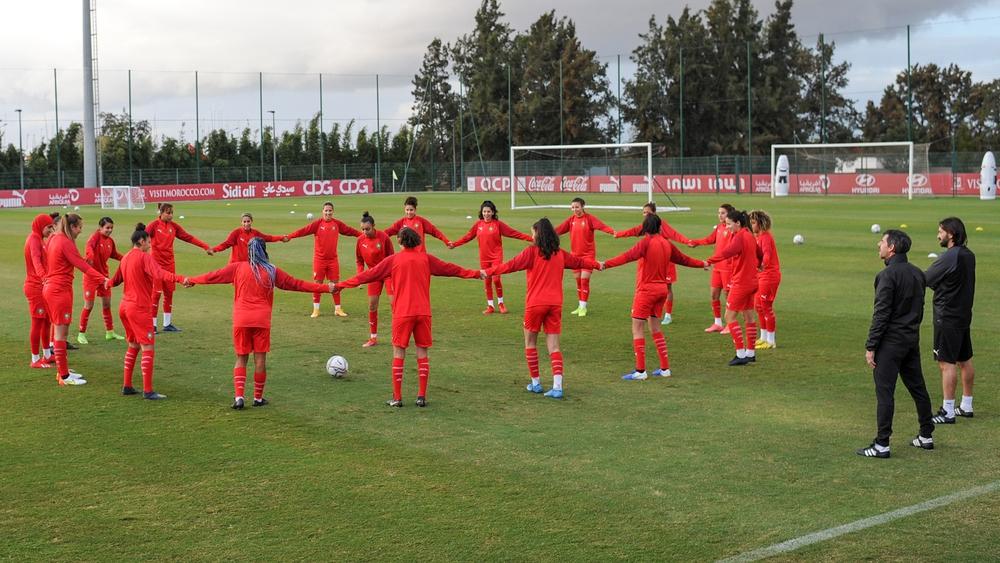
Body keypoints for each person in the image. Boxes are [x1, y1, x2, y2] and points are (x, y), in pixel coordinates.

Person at [336, 227, 480, 408]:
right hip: (423, 313)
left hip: (403, 313)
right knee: (422, 352)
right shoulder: (427, 259)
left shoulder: (393, 260)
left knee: (399, 352)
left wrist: (341, 285)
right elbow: (452, 269)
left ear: (401, 241)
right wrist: (476, 274)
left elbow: (367, 275)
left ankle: (397, 398)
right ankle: (421, 396)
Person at [188, 238, 335, 409]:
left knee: (241, 358)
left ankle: (239, 398)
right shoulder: (272, 270)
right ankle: (258, 398)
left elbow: (213, 276)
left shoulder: (237, 267)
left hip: (241, 319)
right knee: (260, 358)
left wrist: (192, 280)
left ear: (248, 251)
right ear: (264, 251)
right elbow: (298, 284)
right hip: (262, 320)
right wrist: (326, 288)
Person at [485, 218, 600, 399]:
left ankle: (536, 383)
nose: (531, 236)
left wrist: (488, 271)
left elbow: (510, 266)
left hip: (535, 304)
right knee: (554, 346)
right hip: (555, 305)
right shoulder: (559, 254)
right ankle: (557, 386)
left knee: (530, 343)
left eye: (532, 233)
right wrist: (597, 265)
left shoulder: (531, 252)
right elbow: (579, 262)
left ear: (538, 235)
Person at [858, 230, 935, 458]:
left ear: (891, 248)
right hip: (911, 339)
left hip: (890, 344)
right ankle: (926, 435)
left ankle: (882, 444)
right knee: (918, 388)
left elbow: (881, 314)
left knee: (885, 393)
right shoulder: (918, 274)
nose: (878, 244)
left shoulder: (887, 276)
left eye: (882, 242)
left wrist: (871, 346)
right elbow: (919, 310)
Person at [602, 214, 707, 380]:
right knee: (656, 329)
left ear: (645, 228)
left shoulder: (646, 242)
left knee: (637, 328)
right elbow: (684, 260)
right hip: (662, 290)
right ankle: (665, 368)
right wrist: (702, 264)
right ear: (659, 227)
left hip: (646, 291)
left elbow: (627, 256)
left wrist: (605, 264)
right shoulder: (667, 243)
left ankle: (640, 371)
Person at [109, 223, 192, 400]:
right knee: (148, 347)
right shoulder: (144, 258)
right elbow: (161, 274)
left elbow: (115, 281)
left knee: (133, 345)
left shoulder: (125, 258)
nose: (151, 244)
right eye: (148, 241)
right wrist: (181, 279)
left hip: (124, 307)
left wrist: (103, 282)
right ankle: (148, 391)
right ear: (141, 241)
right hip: (139, 308)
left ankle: (127, 385)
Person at [43, 213, 109, 386]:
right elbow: (83, 267)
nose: (81, 231)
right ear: (72, 227)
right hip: (59, 290)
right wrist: (103, 279)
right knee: (61, 333)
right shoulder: (65, 241)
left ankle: (62, 371)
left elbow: (65, 260)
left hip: (51, 288)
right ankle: (64, 376)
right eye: (79, 227)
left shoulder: (54, 238)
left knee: (59, 332)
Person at [924, 217, 976, 424]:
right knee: (965, 360)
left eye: (940, 231)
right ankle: (967, 404)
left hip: (946, 316)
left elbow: (927, 278)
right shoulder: (969, 255)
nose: (938, 235)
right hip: (963, 315)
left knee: (946, 363)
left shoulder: (949, 256)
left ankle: (947, 411)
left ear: (951, 234)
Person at [614, 202, 693, 325]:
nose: (645, 214)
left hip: (665, 261)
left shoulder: (661, 225)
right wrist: (619, 234)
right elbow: (634, 231)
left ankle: (668, 314)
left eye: (648, 212)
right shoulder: (646, 225)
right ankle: (648, 311)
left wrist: (687, 241)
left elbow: (674, 235)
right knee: (646, 285)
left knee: (667, 287)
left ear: (654, 213)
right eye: (644, 212)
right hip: (650, 262)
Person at [449, 200, 532, 314]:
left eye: (488, 211)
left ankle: (501, 303)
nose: (486, 214)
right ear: (481, 212)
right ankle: (490, 306)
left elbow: (514, 233)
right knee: (486, 281)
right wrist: (455, 244)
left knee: (496, 279)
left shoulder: (498, 224)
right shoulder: (478, 225)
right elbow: (467, 237)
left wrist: (531, 238)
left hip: (496, 257)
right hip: (484, 258)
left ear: (493, 212)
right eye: (484, 211)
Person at [285, 202, 361, 318]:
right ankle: (316, 309)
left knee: (335, 284)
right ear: (322, 211)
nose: (328, 213)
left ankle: (338, 309)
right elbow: (303, 231)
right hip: (319, 260)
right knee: (318, 284)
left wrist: (362, 235)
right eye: (326, 210)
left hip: (333, 260)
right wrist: (290, 236)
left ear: (333, 212)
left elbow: (350, 231)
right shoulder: (317, 224)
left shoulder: (337, 224)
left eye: (330, 210)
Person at [146, 202, 214, 332]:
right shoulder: (154, 225)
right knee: (156, 294)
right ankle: (152, 325)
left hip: (170, 264)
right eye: (168, 213)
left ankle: (167, 324)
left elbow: (188, 237)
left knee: (169, 293)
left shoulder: (174, 227)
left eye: (172, 213)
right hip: (156, 264)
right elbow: (141, 237)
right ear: (161, 213)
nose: (170, 215)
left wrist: (205, 246)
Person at [706, 209, 761, 366]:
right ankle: (750, 353)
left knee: (729, 317)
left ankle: (740, 354)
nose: (727, 227)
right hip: (752, 282)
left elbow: (726, 252)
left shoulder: (739, 237)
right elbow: (759, 253)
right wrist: (760, 265)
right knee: (749, 317)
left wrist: (709, 261)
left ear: (738, 223)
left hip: (741, 283)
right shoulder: (749, 235)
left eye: (729, 224)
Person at [554, 197, 615, 317]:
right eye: (572, 207)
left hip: (588, 255)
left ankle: (583, 307)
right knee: (578, 282)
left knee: (584, 280)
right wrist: (545, 233)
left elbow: (602, 226)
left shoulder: (589, 219)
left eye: (577, 207)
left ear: (583, 206)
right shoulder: (571, 220)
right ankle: (580, 305)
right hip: (575, 256)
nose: (574, 209)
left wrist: (613, 232)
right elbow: (559, 230)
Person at [77, 217, 125, 344]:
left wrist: (126, 258)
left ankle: (110, 332)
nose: (109, 230)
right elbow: (89, 247)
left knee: (107, 304)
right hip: (91, 277)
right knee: (89, 305)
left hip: (104, 276)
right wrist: (90, 256)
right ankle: (81, 333)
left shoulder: (110, 241)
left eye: (111, 228)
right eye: (107, 228)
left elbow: (114, 254)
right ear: (100, 227)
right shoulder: (94, 237)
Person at [689, 204, 736, 333]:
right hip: (717, 267)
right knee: (714, 294)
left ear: (730, 215)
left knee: (728, 296)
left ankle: (730, 325)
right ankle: (717, 323)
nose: (720, 215)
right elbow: (710, 239)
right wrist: (696, 242)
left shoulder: (733, 229)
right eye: (719, 212)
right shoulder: (719, 227)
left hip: (728, 268)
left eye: (723, 213)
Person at [355, 211, 395, 347]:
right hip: (373, 274)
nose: (365, 232)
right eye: (362, 229)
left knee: (394, 304)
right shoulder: (360, 241)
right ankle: (373, 338)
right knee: (372, 305)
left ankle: (398, 335)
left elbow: (392, 256)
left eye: (367, 229)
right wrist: (360, 275)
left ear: (374, 226)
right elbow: (359, 260)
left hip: (388, 273)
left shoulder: (383, 237)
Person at [24, 214, 55, 368]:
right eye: (49, 227)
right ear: (41, 225)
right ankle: (35, 359)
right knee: (37, 322)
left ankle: (47, 354)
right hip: (35, 287)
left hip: (42, 286)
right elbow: (36, 261)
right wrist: (44, 277)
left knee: (47, 320)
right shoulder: (34, 240)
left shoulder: (39, 239)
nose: (51, 230)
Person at [749, 210, 781, 349]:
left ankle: (771, 341)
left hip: (769, 275)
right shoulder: (758, 237)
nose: (751, 225)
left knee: (766, 306)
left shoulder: (766, 237)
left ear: (760, 223)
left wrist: (762, 266)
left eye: (754, 222)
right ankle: (763, 337)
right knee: (758, 306)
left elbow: (767, 255)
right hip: (761, 275)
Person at [384, 196, 452, 253]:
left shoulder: (420, 221)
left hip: (420, 254)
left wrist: (446, 241)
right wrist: (378, 237)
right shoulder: (401, 222)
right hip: (407, 255)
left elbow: (434, 231)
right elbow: (388, 232)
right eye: (407, 210)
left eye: (411, 210)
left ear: (415, 210)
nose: (409, 212)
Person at [212, 212, 285, 263]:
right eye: (244, 222)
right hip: (236, 264)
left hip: (249, 264)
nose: (246, 224)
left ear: (251, 221)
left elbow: (268, 238)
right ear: (241, 222)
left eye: (248, 221)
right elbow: (226, 244)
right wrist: (214, 249)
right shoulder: (236, 233)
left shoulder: (255, 233)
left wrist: (281, 237)